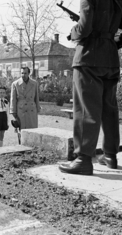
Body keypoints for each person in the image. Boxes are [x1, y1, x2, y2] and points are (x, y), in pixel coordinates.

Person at [59, 0, 122, 175]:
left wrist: (73, 33)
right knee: (109, 110)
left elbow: (84, 27)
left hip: (88, 58)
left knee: (86, 109)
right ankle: (110, 156)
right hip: (111, 59)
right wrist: (112, 42)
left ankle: (83, 160)